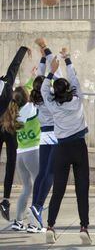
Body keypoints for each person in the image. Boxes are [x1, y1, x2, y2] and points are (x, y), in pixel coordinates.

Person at [41, 48, 92, 245]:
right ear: (69, 90)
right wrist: (68, 59)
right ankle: (84, 227)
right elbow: (75, 79)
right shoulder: (77, 100)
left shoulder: (53, 105)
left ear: (56, 92)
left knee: (59, 190)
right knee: (82, 189)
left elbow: (45, 90)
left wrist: (52, 70)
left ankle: (51, 226)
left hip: (61, 149)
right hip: (79, 147)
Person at [28, 38, 62, 230]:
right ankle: (38, 206)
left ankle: (35, 211)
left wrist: (43, 57)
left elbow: (40, 77)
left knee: (42, 173)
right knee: (50, 173)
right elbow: (53, 77)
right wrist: (46, 48)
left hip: (43, 133)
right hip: (55, 134)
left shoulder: (38, 92)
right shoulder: (50, 93)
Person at [1, 81, 40, 233]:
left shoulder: (14, 113)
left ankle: (18, 221)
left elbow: (25, 91)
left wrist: (31, 79)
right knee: (38, 187)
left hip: (20, 156)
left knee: (26, 188)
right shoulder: (31, 109)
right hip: (33, 152)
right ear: (27, 97)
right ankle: (33, 223)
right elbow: (35, 90)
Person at [0, 46, 30, 221]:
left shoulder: (6, 84)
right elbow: (14, 65)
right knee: (10, 164)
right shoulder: (8, 85)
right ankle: (5, 199)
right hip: (9, 130)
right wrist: (23, 49)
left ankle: (4, 200)